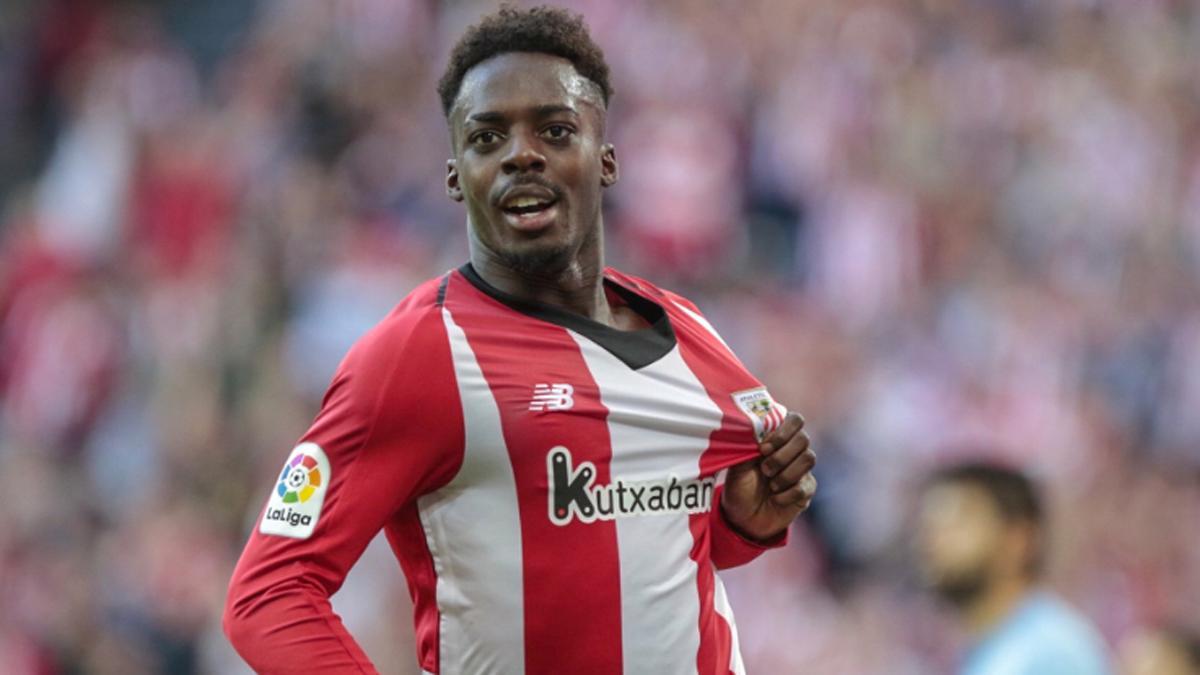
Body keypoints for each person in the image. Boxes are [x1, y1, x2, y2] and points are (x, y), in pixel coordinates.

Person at [222, 6, 817, 674]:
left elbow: (660, 549)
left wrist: (747, 522)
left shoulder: (688, 330)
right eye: (486, 138)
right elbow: (269, 592)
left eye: (556, 130)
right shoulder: (420, 354)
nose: (521, 154)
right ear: (456, 177)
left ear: (608, 159)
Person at [915, 462, 1111, 675]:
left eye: (959, 521)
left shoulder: (1049, 655)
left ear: (1018, 539)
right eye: (931, 526)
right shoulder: (993, 648)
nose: (934, 540)